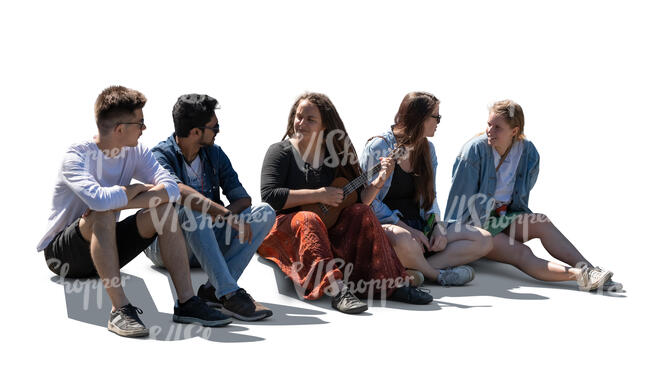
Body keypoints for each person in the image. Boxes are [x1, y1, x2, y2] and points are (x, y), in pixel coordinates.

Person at [38, 86, 231, 338]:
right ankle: (120, 310)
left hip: (106, 244)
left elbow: (171, 189)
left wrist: (121, 199)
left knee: (163, 209)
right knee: (103, 213)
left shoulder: (136, 152)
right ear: (120, 129)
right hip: (65, 255)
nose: (144, 128)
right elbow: (97, 200)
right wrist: (133, 190)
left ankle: (187, 303)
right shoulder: (78, 156)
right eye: (140, 123)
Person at [258, 92, 433, 314]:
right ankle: (338, 291)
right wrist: (319, 194)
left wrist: (379, 182)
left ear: (324, 126)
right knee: (308, 218)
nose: (301, 123)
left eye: (310, 119)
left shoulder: (337, 155)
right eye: (298, 116)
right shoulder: (280, 151)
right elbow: (270, 196)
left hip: (328, 227)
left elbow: (359, 199)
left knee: (361, 212)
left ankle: (391, 284)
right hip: (288, 227)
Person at [445, 99, 622, 291]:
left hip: (502, 217)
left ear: (514, 131)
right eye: (489, 125)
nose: (490, 131)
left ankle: (590, 269)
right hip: (475, 225)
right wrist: (455, 240)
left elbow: (519, 199)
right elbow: (458, 202)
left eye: (498, 127)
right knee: (522, 252)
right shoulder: (474, 150)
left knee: (541, 221)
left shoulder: (527, 152)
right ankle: (581, 277)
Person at [145, 94, 275, 321]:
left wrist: (221, 218)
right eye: (214, 127)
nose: (218, 131)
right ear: (196, 132)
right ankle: (229, 292)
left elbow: (243, 200)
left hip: (208, 238)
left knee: (265, 212)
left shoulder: (214, 153)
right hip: (169, 245)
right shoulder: (160, 155)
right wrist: (221, 213)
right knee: (192, 211)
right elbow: (180, 193)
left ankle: (214, 290)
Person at [361, 92, 493, 286]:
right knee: (405, 240)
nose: (439, 122)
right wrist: (406, 228)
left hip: (421, 226)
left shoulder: (428, 149)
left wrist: (438, 227)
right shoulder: (379, 146)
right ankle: (437, 275)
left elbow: (430, 197)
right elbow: (368, 202)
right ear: (419, 118)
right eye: (436, 117)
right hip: (393, 230)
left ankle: (414, 268)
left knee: (484, 240)